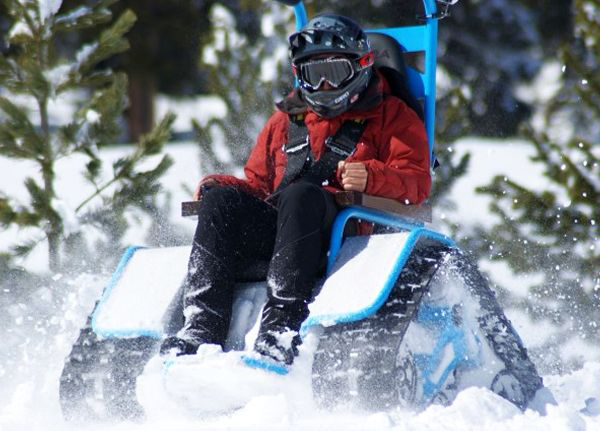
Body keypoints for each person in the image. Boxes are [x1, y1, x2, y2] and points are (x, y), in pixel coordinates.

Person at [160, 14, 431, 366]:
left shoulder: (393, 117)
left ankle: (280, 329)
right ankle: (200, 330)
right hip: (285, 227)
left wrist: (372, 177)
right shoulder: (285, 122)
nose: (323, 87)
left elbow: (417, 182)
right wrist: (220, 189)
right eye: (311, 75)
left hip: (344, 234)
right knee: (222, 201)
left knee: (301, 195)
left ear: (363, 67)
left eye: (333, 74)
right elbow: (258, 185)